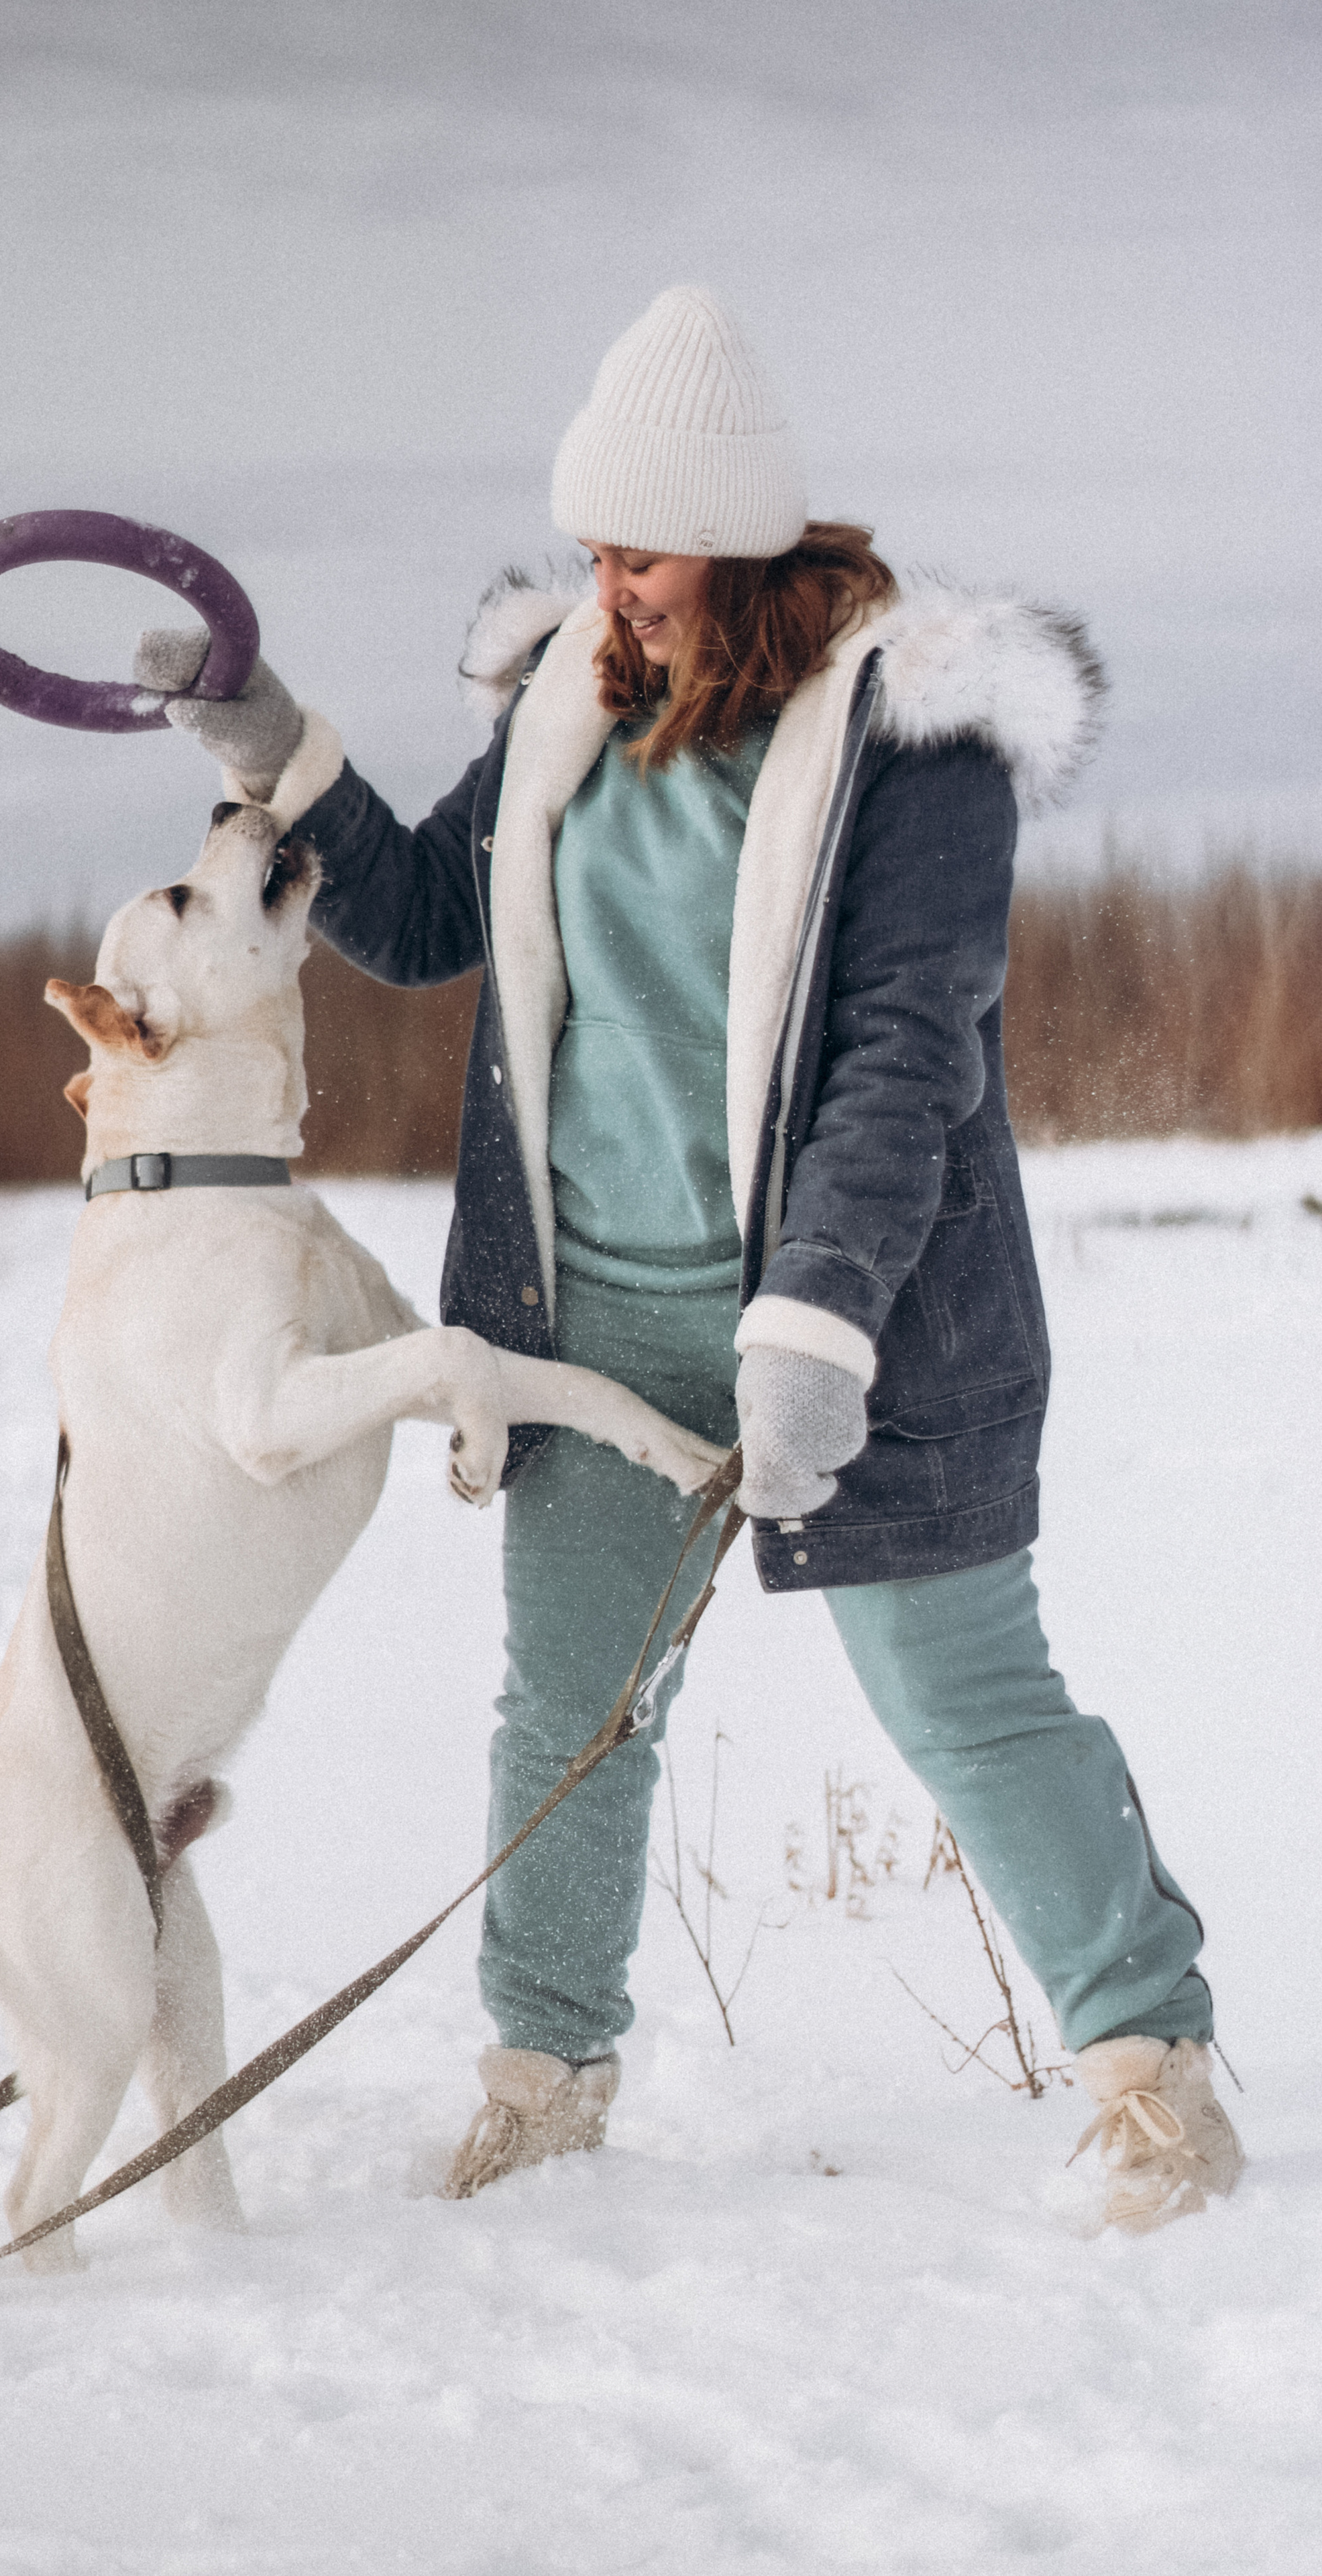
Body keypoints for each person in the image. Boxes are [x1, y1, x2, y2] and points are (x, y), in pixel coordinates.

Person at [133, 285, 1242, 2235]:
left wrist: (815, 1331)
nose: (605, 586)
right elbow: (409, 922)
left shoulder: (911, 740)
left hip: (858, 1315)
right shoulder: (571, 690)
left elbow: (911, 1048)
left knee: (966, 1702)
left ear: (735, 546)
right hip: (590, 1321)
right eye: (588, 552)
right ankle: (543, 2082)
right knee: (572, 1711)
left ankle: (1153, 2068)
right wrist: (273, 746)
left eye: (635, 554)